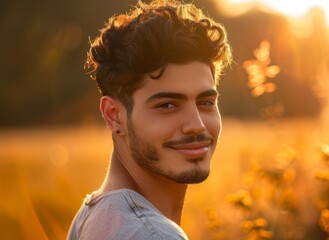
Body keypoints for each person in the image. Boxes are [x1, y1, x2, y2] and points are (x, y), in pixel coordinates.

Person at [67, 0, 232, 239]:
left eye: (205, 102)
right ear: (114, 115)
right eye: (167, 105)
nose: (197, 124)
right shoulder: (151, 234)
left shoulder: (93, 215)